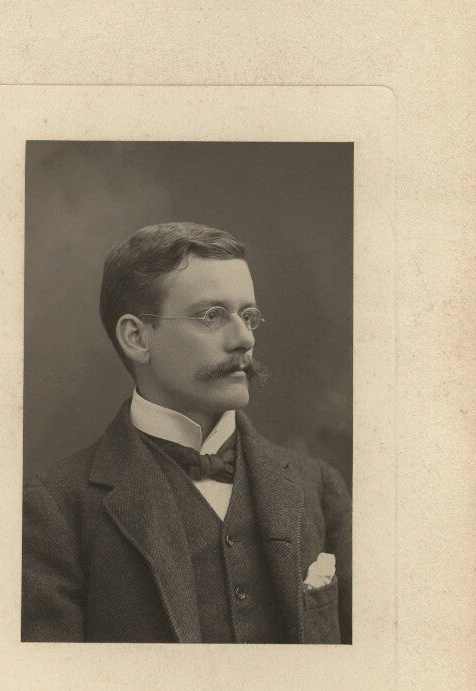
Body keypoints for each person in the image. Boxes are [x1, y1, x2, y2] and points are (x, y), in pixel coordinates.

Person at [22, 222, 352, 644]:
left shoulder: (319, 488)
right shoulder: (55, 510)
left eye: (248, 317)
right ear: (137, 338)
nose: (244, 339)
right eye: (212, 316)